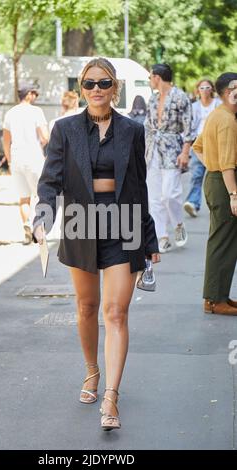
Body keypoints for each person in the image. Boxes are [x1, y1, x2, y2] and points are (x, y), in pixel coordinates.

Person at [33, 57, 160, 431]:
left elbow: (139, 184)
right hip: (80, 223)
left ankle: (111, 396)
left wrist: (149, 236)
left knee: (115, 312)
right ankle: (92, 372)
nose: (96, 90)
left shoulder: (132, 130)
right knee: (87, 307)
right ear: (82, 87)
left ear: (114, 87)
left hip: (125, 225)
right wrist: (42, 217)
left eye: (103, 83)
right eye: (88, 84)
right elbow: (50, 180)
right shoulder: (65, 129)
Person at [193, 72, 237, 316]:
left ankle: (218, 296)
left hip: (217, 179)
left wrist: (212, 163)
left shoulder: (217, 114)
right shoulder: (227, 120)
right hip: (224, 183)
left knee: (224, 241)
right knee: (222, 242)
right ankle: (214, 300)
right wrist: (233, 194)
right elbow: (228, 164)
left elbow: (198, 147)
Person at [144, 63, 192, 253]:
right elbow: (148, 125)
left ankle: (178, 223)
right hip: (153, 150)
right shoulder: (153, 99)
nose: (150, 80)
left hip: (172, 149)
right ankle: (162, 236)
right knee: (154, 197)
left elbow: (189, 125)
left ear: (157, 77)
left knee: (169, 194)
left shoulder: (180, 97)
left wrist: (186, 151)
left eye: (150, 77)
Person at [3, 84, 49, 245]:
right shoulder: (36, 112)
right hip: (34, 157)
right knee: (41, 195)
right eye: (34, 93)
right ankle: (39, 229)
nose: (35, 96)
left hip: (16, 158)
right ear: (28, 95)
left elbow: (6, 141)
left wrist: (9, 161)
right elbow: (45, 137)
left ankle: (26, 226)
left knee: (24, 198)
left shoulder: (10, 113)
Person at [184, 79, 221, 217]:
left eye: (207, 87)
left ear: (212, 89)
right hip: (199, 145)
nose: (204, 90)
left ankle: (219, 204)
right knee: (196, 175)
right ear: (197, 90)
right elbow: (189, 127)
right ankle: (193, 203)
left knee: (217, 176)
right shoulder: (194, 107)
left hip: (216, 145)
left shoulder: (219, 105)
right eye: (202, 87)